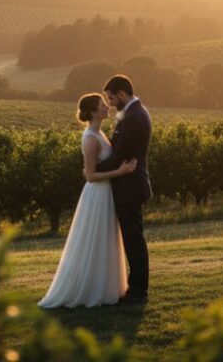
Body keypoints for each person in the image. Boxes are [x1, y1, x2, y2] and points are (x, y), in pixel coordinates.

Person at [38, 93, 136, 308]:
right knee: (95, 239)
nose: (107, 108)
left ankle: (105, 287)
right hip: (97, 194)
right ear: (93, 112)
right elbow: (90, 175)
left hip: (106, 192)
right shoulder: (91, 138)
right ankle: (91, 290)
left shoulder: (99, 133)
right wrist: (119, 172)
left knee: (104, 239)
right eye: (102, 105)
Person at [95, 74, 152, 303]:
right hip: (128, 185)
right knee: (132, 239)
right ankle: (135, 287)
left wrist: (93, 169)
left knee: (133, 240)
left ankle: (138, 291)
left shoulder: (133, 118)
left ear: (121, 94)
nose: (109, 103)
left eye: (110, 97)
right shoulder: (134, 113)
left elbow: (120, 156)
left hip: (129, 187)